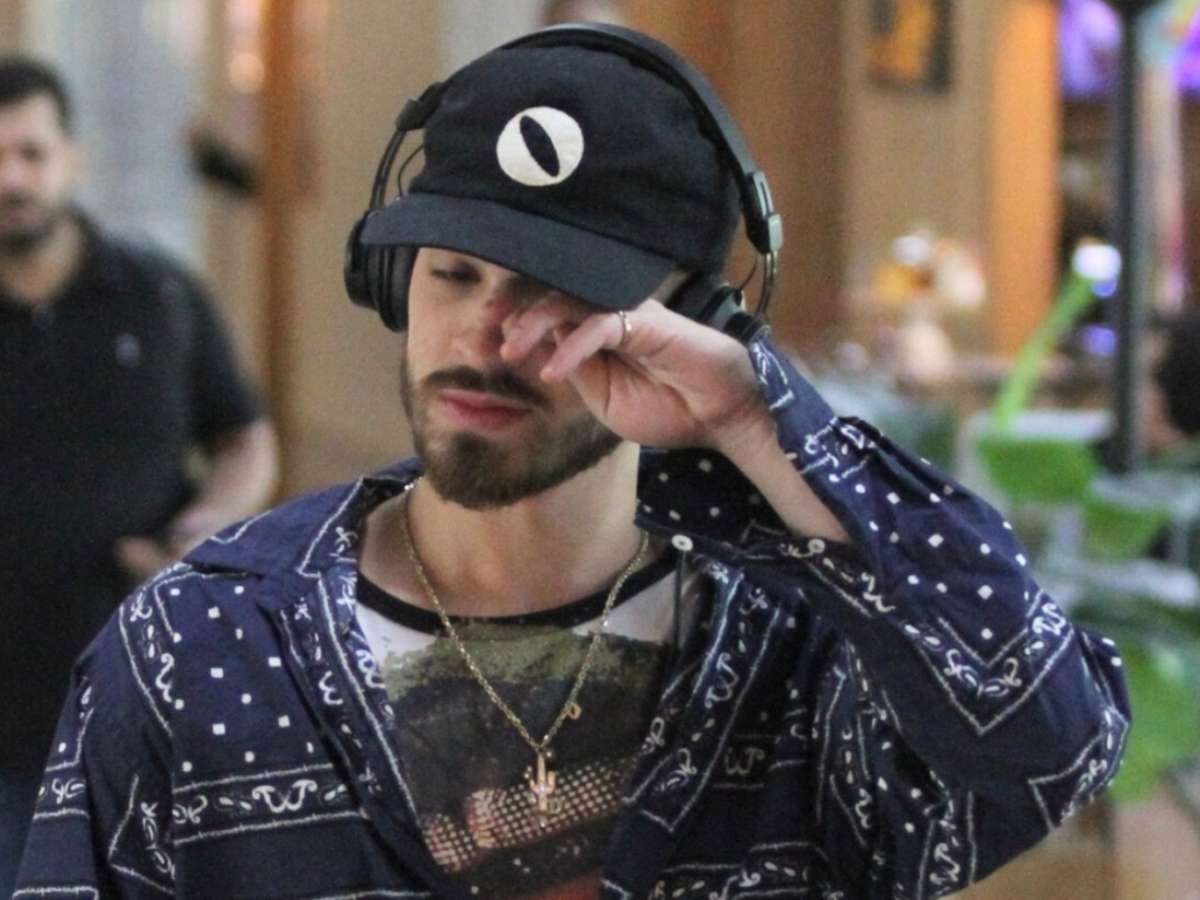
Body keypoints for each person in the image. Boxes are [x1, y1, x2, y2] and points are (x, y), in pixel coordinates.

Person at [15, 28, 1127, 899]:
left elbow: (1052, 749)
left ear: (694, 323)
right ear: (393, 282)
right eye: (453, 274)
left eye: (561, 291)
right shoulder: (198, 647)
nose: (490, 334)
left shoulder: (802, 659)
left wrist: (764, 421)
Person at [0, 56, 278, 895]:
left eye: (31, 154)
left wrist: (206, 528)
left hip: (141, 700)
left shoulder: (158, 294)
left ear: (72, 159)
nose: (12, 180)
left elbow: (243, 435)